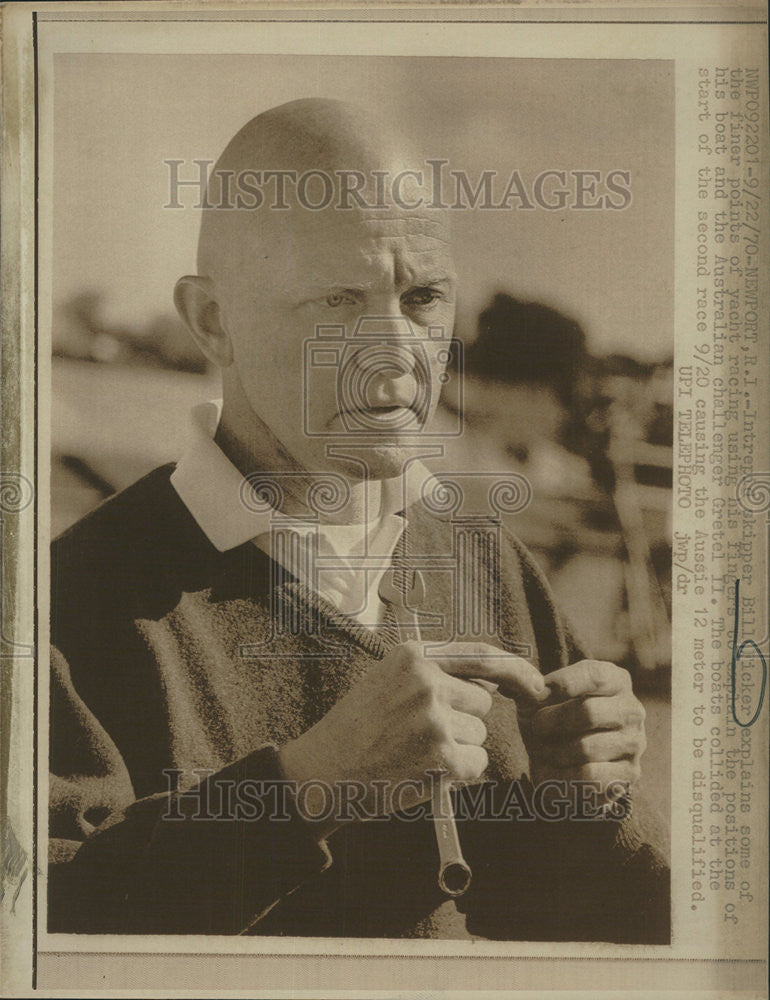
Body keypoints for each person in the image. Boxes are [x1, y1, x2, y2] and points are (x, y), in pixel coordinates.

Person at [49, 99, 669, 940]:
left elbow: (612, 934)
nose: (395, 355)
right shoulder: (64, 603)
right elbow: (41, 928)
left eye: (422, 297)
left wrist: (593, 804)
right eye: (337, 301)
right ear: (213, 320)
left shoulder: (495, 567)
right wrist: (307, 788)